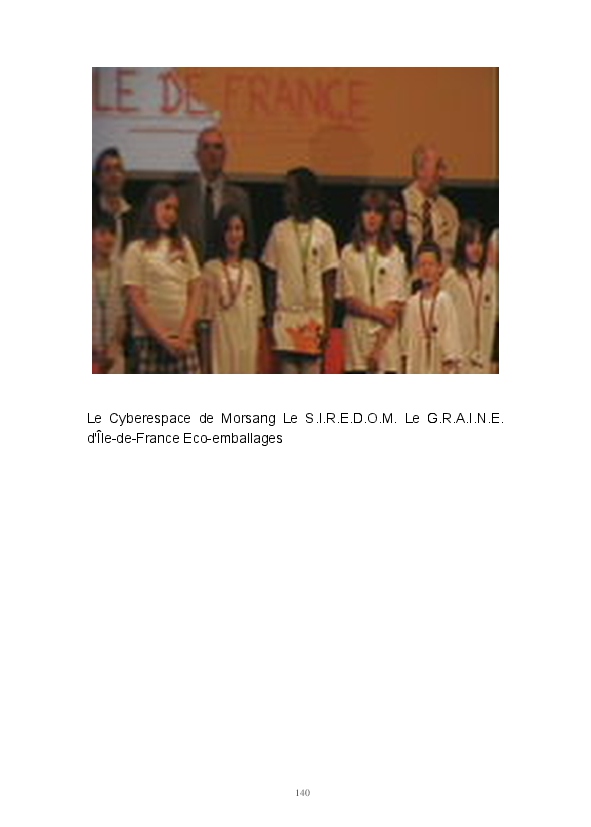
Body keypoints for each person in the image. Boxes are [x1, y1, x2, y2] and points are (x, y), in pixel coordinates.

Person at [261, 167, 339, 374]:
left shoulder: (324, 232)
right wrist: (270, 320)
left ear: (304, 193)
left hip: (313, 320)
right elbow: (271, 278)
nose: (285, 196)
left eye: (290, 191)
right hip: (286, 317)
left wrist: (328, 323)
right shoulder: (279, 231)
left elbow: (329, 281)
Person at [122, 184, 201, 373]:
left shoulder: (183, 244)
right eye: (166, 207)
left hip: (183, 340)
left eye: (175, 209)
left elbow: (196, 289)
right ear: (152, 207)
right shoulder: (136, 248)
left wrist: (185, 334)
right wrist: (165, 338)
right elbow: (136, 298)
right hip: (150, 341)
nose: (171, 214)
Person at [338, 189, 406, 373]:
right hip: (357, 341)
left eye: (377, 212)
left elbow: (394, 307)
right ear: (360, 215)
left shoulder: (394, 254)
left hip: (386, 346)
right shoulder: (349, 252)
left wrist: (376, 351)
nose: (372, 217)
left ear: (384, 218)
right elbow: (349, 301)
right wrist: (380, 314)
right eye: (367, 210)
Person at [200, 205, 264, 374]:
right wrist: (206, 366)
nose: (233, 234)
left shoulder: (252, 269)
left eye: (238, 228)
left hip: (247, 347)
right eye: (228, 229)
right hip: (221, 346)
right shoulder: (211, 268)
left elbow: (258, 321)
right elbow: (205, 322)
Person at [178, 127, 254, 264]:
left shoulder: (240, 197)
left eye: (217, 147)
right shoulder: (181, 196)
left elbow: (248, 245)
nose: (212, 153)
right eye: (206, 147)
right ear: (197, 155)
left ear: (225, 155)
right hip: (189, 273)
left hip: (227, 273)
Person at [441, 219, 497, 374]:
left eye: (480, 243)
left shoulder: (490, 277)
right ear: (462, 246)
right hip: (458, 363)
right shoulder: (451, 279)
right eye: (471, 243)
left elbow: (497, 319)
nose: (476, 249)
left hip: (484, 360)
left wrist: (496, 359)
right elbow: (443, 324)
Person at [402, 241, 461, 374]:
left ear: (440, 268)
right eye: (422, 264)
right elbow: (406, 348)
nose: (426, 269)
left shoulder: (445, 301)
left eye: (431, 264)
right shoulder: (412, 303)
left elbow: (451, 347)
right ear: (417, 269)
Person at [403, 145, 459, 268]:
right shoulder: (402, 203)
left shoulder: (449, 210)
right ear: (420, 170)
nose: (443, 175)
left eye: (444, 169)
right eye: (438, 167)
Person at [92, 211, 125, 374]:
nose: (108, 239)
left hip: (113, 356)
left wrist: (116, 343)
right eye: (102, 233)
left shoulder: (121, 270)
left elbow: (123, 315)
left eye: (112, 233)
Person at [92, 147, 136, 258]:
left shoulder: (135, 216)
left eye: (118, 169)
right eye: (107, 170)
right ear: (98, 178)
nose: (114, 175)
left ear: (124, 176)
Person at [388, 190, 413, 278]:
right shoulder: (374, 243)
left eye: (400, 209)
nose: (398, 215)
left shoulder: (407, 243)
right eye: (393, 210)